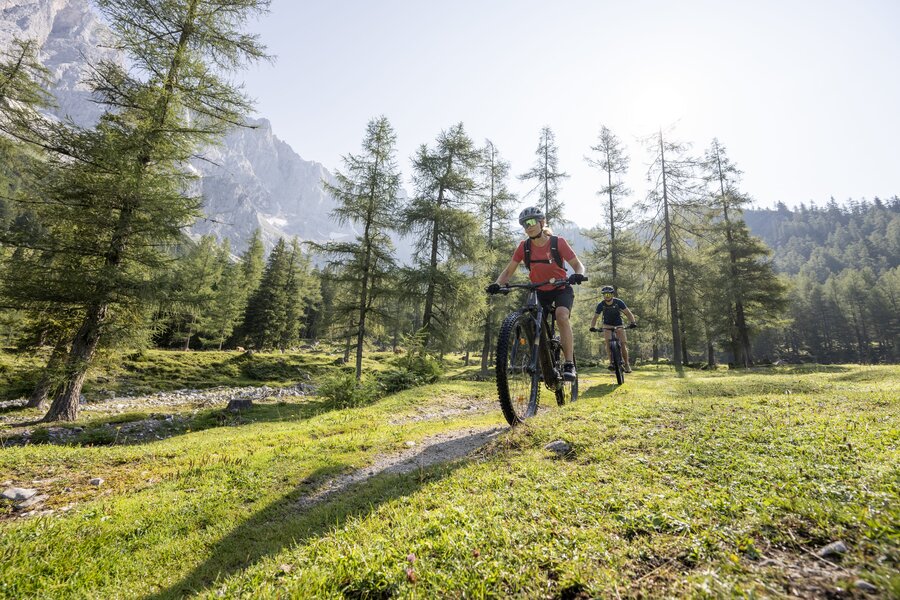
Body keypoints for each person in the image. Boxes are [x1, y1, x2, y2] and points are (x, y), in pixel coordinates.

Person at [486, 206, 586, 380]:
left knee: (562, 316)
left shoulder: (557, 242)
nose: (529, 226)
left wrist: (578, 274)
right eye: (525, 224)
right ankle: (541, 364)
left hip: (561, 288)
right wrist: (497, 284)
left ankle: (569, 363)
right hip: (538, 290)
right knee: (534, 325)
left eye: (532, 222)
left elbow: (578, 265)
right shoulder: (524, 247)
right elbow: (508, 271)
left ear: (542, 222)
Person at [590, 285, 637, 372]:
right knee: (608, 343)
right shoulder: (601, 305)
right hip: (607, 325)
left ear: (612, 294)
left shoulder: (618, 302)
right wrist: (592, 327)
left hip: (619, 324)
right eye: (605, 294)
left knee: (623, 344)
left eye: (609, 294)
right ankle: (611, 363)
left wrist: (633, 322)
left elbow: (628, 313)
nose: (607, 296)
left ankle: (626, 364)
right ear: (603, 295)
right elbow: (595, 317)